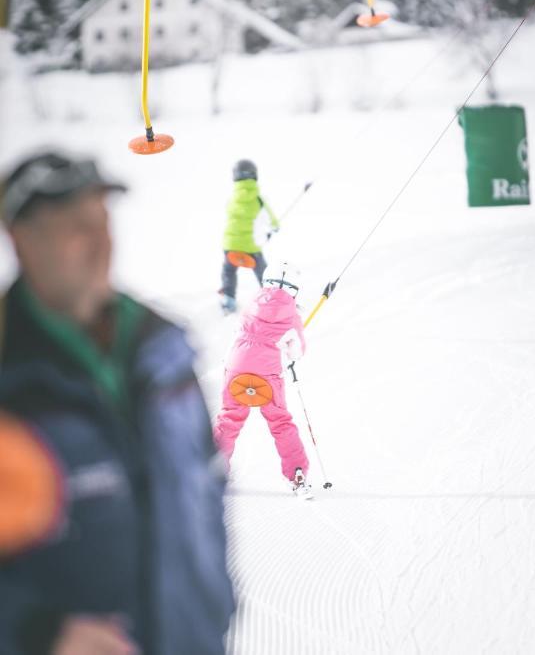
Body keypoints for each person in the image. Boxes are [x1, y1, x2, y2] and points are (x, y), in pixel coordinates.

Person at [0, 150, 235, 655]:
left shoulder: (163, 349)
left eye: (103, 221)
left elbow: (203, 492)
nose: (102, 243)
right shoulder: (9, 377)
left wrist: (216, 606)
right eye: (76, 228)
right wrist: (33, 632)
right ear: (21, 237)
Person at [214, 262, 311, 497]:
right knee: (279, 421)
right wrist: (292, 332)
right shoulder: (292, 316)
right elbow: (297, 351)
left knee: (229, 418)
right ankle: (296, 472)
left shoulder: (251, 303)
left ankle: (213, 471)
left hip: (236, 367)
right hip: (267, 374)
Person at [220, 159, 279, 314]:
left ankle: (228, 298)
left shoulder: (232, 199)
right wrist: (273, 228)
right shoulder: (258, 199)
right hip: (250, 247)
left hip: (230, 245)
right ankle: (271, 299)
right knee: (263, 272)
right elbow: (272, 221)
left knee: (228, 271)